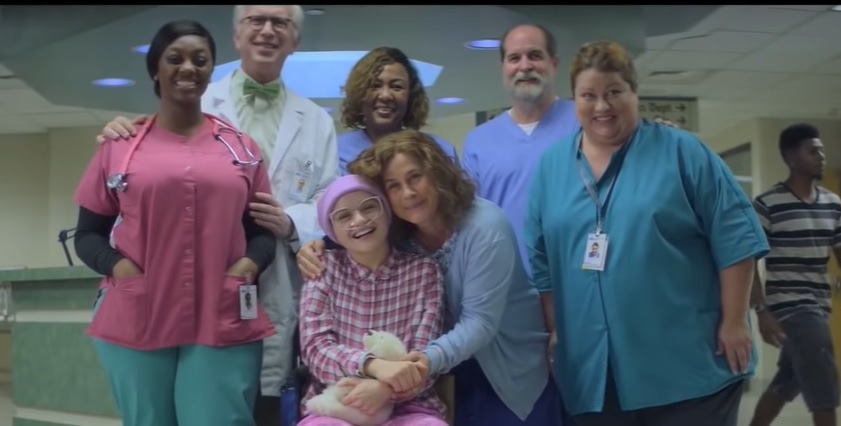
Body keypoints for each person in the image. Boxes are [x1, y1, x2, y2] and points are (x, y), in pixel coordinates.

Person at [94, 5, 340, 423]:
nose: (267, 30)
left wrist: (289, 222)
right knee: (163, 407)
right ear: (236, 35)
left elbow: (327, 201)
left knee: (247, 406)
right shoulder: (193, 96)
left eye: (280, 23)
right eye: (256, 20)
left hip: (274, 270)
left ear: (295, 40)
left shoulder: (317, 121)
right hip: (184, 283)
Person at [524, 40, 770, 426]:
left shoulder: (683, 152)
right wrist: (556, 330)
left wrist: (735, 321)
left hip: (688, 365)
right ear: (574, 100)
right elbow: (542, 265)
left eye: (614, 92)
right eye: (588, 95)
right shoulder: (551, 167)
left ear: (635, 93)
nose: (602, 106)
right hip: (594, 372)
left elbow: (736, 239)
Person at [73, 20, 276, 426]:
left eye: (200, 60)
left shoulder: (240, 148)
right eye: (175, 58)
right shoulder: (121, 146)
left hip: (221, 310)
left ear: (211, 70)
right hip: (139, 309)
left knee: (218, 419)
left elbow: (263, 231)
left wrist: (247, 265)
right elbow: (88, 234)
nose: (188, 68)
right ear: (155, 69)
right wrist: (120, 268)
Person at [297, 130, 562, 425]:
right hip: (443, 372)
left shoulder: (486, 227)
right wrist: (314, 245)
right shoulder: (400, 231)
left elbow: (480, 323)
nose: (408, 193)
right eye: (394, 185)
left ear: (437, 173)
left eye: (415, 177)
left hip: (503, 366)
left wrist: (404, 375)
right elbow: (351, 228)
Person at [298, 174, 446, 426]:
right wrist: (371, 366)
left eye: (369, 207)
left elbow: (425, 355)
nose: (359, 220)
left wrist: (385, 390)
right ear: (332, 231)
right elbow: (315, 349)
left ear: (387, 213)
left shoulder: (424, 271)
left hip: (408, 406)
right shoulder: (322, 267)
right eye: (344, 216)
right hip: (336, 403)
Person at [748, 123, 841, 426]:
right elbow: (748, 263)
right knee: (824, 388)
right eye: (813, 151)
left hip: (820, 304)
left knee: (788, 380)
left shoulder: (833, 204)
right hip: (790, 308)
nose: (821, 156)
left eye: (822, 151)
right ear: (791, 158)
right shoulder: (767, 204)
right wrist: (761, 311)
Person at [337, 46, 459, 175]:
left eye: (396, 87)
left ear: (411, 96)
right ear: (359, 93)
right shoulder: (336, 152)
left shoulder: (440, 151)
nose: (385, 95)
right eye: (375, 86)